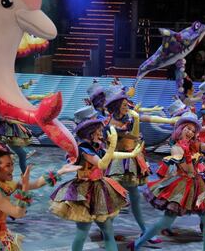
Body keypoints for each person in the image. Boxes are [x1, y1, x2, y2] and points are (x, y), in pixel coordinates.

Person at [128, 112, 205, 251]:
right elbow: (186, 168)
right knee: (166, 221)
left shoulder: (194, 144)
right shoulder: (177, 148)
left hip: (198, 186)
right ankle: (138, 244)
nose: (190, 132)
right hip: (181, 186)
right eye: (188, 129)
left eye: (193, 130)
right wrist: (188, 156)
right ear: (181, 129)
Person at [50, 106, 144, 251]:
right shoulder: (84, 148)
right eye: (98, 131)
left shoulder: (95, 146)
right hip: (83, 193)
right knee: (82, 233)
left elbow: (109, 155)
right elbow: (102, 163)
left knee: (108, 232)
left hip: (100, 189)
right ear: (90, 132)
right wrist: (113, 144)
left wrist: (130, 155)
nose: (101, 133)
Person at [0, 149, 80, 250]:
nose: (12, 168)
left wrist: (61, 171)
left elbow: (36, 184)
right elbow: (18, 213)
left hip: (1, 238)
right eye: (8, 165)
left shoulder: (5, 183)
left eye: (12, 164)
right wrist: (25, 186)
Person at [104, 85, 176, 243]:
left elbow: (145, 118)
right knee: (116, 201)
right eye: (124, 105)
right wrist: (136, 119)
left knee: (134, 198)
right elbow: (134, 135)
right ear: (116, 106)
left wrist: (169, 120)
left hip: (130, 161)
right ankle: (107, 232)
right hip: (118, 163)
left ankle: (143, 230)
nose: (127, 106)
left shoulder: (124, 117)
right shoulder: (112, 124)